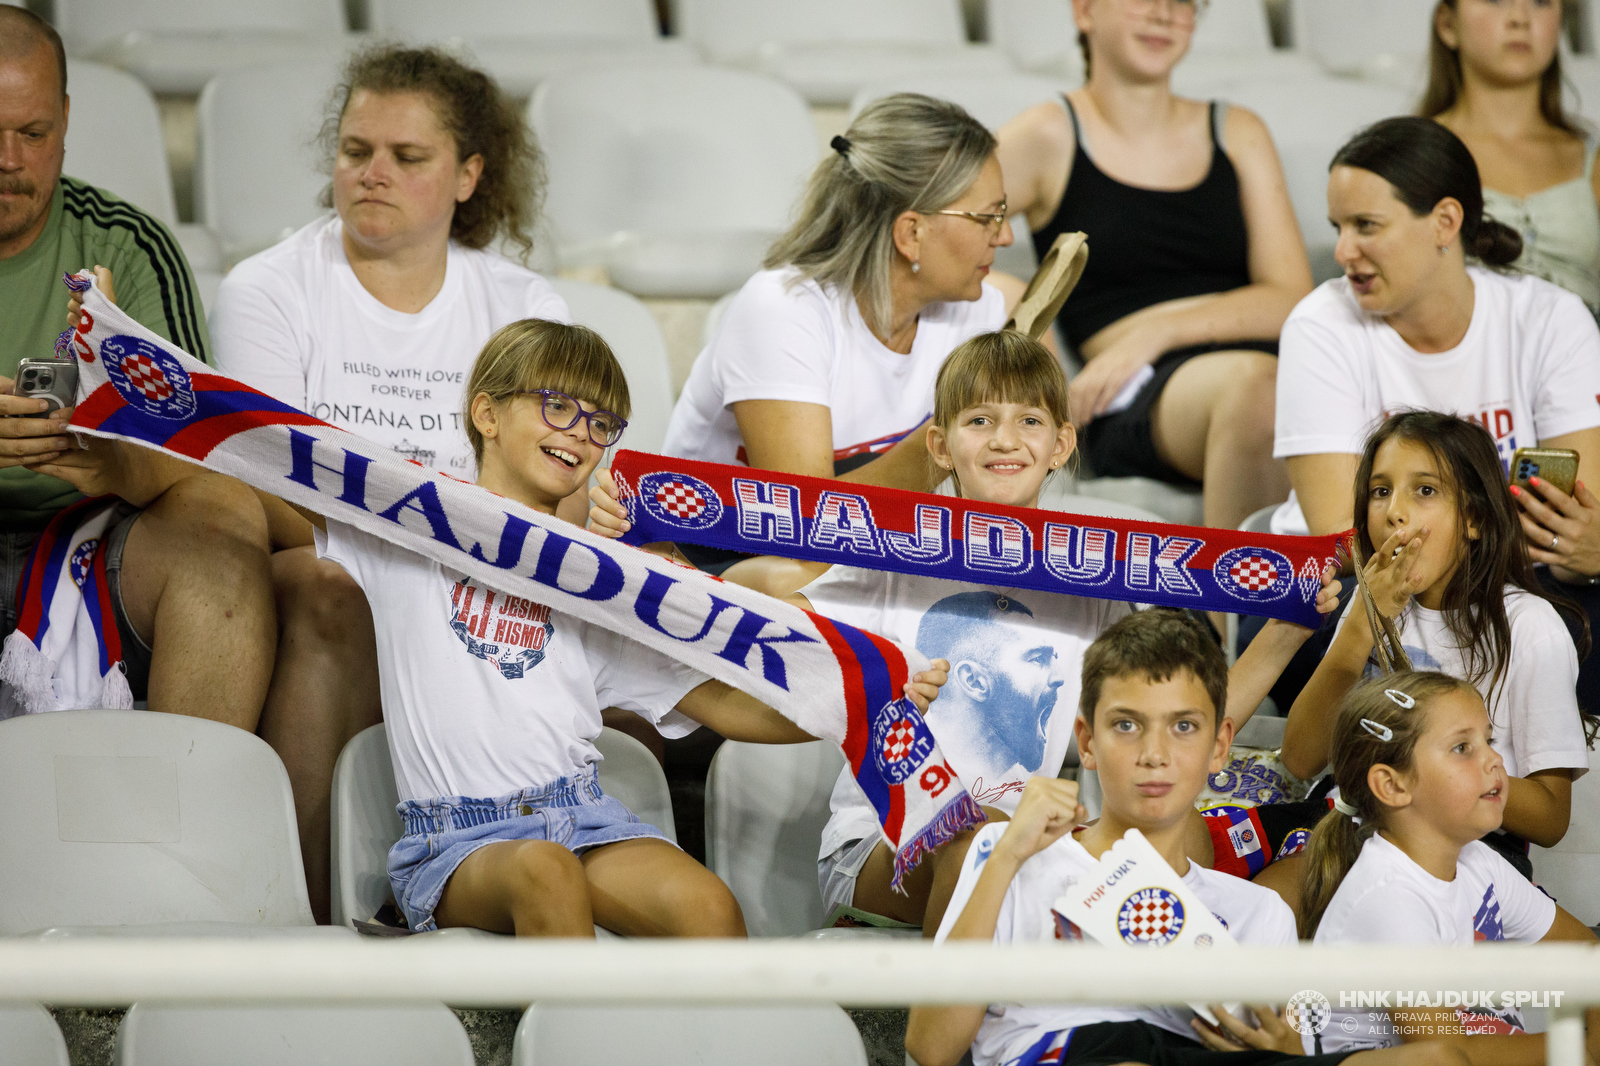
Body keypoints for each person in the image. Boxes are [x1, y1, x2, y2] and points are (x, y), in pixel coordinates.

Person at [592, 330, 1336, 931]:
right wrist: (649, 562)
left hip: (1036, 852)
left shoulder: (1103, 583)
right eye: (980, 420)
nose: (1005, 439)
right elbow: (749, 608)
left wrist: (1292, 627)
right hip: (880, 853)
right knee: (979, 843)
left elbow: (1190, 724)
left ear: (1062, 446)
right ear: (942, 446)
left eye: (1029, 422)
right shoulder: (880, 556)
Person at [258, 318, 952, 936]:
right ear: (486, 414)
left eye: (599, 423)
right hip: (457, 839)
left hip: (584, 818)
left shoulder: (600, 579)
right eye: (556, 406)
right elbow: (266, 460)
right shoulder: (411, 523)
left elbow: (730, 706)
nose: (577, 434)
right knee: (545, 871)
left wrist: (862, 703)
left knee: (708, 908)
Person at [209, 44, 570, 921]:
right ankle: (300, 910)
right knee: (331, 591)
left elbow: (553, 489)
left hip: (480, 574)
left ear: (468, 176)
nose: (373, 174)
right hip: (327, 559)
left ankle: (510, 881)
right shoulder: (268, 288)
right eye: (355, 150)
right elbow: (265, 490)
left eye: (407, 159)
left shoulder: (528, 308)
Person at [904, 610, 1460, 1066]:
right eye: (1126, 725)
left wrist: (1291, 1048)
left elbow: (1284, 1047)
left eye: (1183, 727)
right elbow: (930, 1049)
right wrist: (1005, 858)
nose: (1154, 754)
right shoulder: (1009, 858)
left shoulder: (1258, 912)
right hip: (1075, 1052)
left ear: (1220, 747)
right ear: (1087, 742)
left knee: (1433, 1061)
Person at [1, 9, 276, 728]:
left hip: (96, 546)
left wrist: (113, 459)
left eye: (32, 133)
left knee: (225, 519)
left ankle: (193, 820)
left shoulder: (127, 246)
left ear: (65, 119)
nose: (8, 158)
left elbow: (209, 462)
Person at [1269, 115, 1600, 711]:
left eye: (1366, 226)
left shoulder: (1552, 318)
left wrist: (1587, 549)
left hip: (1512, 575)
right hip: (1355, 578)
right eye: (1338, 227)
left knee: (1576, 620)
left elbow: (1574, 517)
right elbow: (1348, 532)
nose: (1343, 251)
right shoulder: (1320, 326)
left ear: (1445, 222)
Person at [1215, 414, 1592, 912]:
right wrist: (1357, 632)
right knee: (1265, 909)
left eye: (1426, 491)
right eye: (1379, 491)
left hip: (1467, 846)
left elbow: (1549, 818)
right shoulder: (1366, 604)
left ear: (1475, 518)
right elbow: (1302, 757)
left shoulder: (1529, 625)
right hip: (1347, 819)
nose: (1394, 512)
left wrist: (1438, 767)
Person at [660, 93, 1012, 574]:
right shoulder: (781, 310)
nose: (1006, 235)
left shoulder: (980, 310)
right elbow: (806, 529)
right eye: (986, 217)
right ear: (910, 233)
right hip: (720, 572)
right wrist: (946, 445)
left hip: (873, 568)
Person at [995, 0, 1312, 530]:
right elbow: (939, 228)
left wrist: (1158, 332)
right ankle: (1234, 614)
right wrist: (1015, 306)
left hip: (1263, 359)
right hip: (1137, 392)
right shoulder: (1046, 135)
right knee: (1260, 392)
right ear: (1085, 11)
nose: (1165, 14)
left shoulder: (1237, 130)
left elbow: (1291, 298)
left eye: (1185, 2)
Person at [1302, 672, 1600, 1060]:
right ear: (1392, 786)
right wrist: (1585, 1050)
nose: (1495, 760)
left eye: (1489, 741)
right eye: (1463, 747)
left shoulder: (1478, 860)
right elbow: (1450, 1054)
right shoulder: (1388, 899)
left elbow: (1585, 953)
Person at [1423, 0, 1600, 311]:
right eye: (1495, 0)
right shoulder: (1414, 155)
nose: (1520, 18)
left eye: (1541, 2)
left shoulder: (1591, 159)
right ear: (1447, 24)